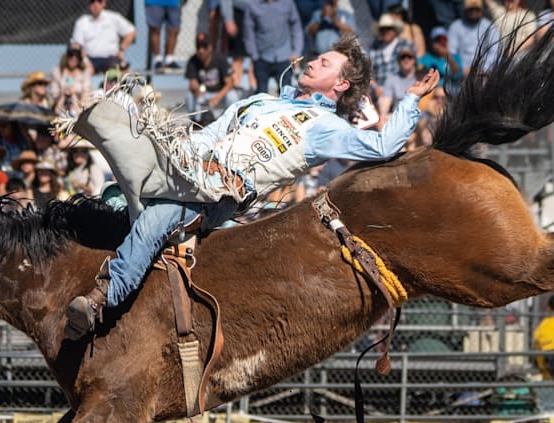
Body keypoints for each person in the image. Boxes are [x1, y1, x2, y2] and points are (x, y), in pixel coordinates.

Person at [62, 36, 441, 339]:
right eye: (317, 58)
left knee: (155, 221)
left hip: (220, 195)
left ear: (341, 84)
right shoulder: (260, 101)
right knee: (113, 196)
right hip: (188, 169)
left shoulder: (325, 128)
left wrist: (409, 99)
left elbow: (382, 146)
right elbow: (209, 133)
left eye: (324, 63)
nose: (312, 62)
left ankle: (102, 299)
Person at [243, 0, 304, 95]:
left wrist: (297, 51)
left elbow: (296, 27)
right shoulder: (252, 5)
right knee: (261, 94)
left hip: (284, 56)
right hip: (262, 57)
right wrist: (254, 55)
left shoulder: (288, 3)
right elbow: (248, 32)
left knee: (287, 94)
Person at [186, 33, 239, 125]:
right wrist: (196, 90)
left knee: (232, 95)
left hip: (220, 93)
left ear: (210, 47)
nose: (201, 50)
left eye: (204, 47)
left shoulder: (220, 58)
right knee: (189, 95)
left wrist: (217, 98)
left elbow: (230, 83)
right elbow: (192, 83)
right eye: (198, 47)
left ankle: (229, 121)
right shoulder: (193, 61)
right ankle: (196, 122)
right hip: (204, 95)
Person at [71, 0, 137, 74]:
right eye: (92, 1)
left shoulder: (114, 18)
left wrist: (121, 49)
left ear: (104, 3)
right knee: (78, 71)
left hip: (111, 58)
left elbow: (131, 32)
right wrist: (85, 60)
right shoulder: (82, 22)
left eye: (99, 1)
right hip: (89, 60)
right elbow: (76, 45)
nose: (96, 4)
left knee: (121, 71)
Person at [369, 13, 416, 92]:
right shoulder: (373, 48)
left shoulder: (406, 45)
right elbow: (368, 74)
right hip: (380, 93)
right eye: (383, 29)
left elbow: (414, 68)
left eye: (388, 28)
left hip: (403, 90)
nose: (385, 31)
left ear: (395, 30)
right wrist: (375, 87)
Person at [448, 0, 499, 71]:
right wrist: (462, 69)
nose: (473, 12)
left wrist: (483, 69)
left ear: (482, 10)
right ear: (465, 10)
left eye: (477, 9)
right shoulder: (455, 26)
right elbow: (452, 52)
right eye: (471, 9)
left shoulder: (490, 27)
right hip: (461, 71)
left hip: (485, 71)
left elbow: (495, 51)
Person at [51, 45, 94, 119]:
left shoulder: (84, 72)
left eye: (77, 55)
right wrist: (63, 93)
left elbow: (86, 92)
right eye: (71, 54)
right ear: (66, 56)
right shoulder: (57, 71)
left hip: (78, 106)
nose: (74, 58)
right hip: (61, 105)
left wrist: (74, 95)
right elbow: (54, 94)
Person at [378, 48, 418, 119]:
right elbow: (385, 104)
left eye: (409, 57)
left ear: (414, 60)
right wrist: (383, 116)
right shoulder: (392, 79)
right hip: (398, 117)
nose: (406, 60)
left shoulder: (420, 77)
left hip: (418, 116)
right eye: (403, 57)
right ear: (398, 61)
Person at [146, 0, 182, 71]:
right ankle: (158, 60)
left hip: (173, 2)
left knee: (174, 30)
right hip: (154, 2)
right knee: (155, 30)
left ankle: (169, 59)